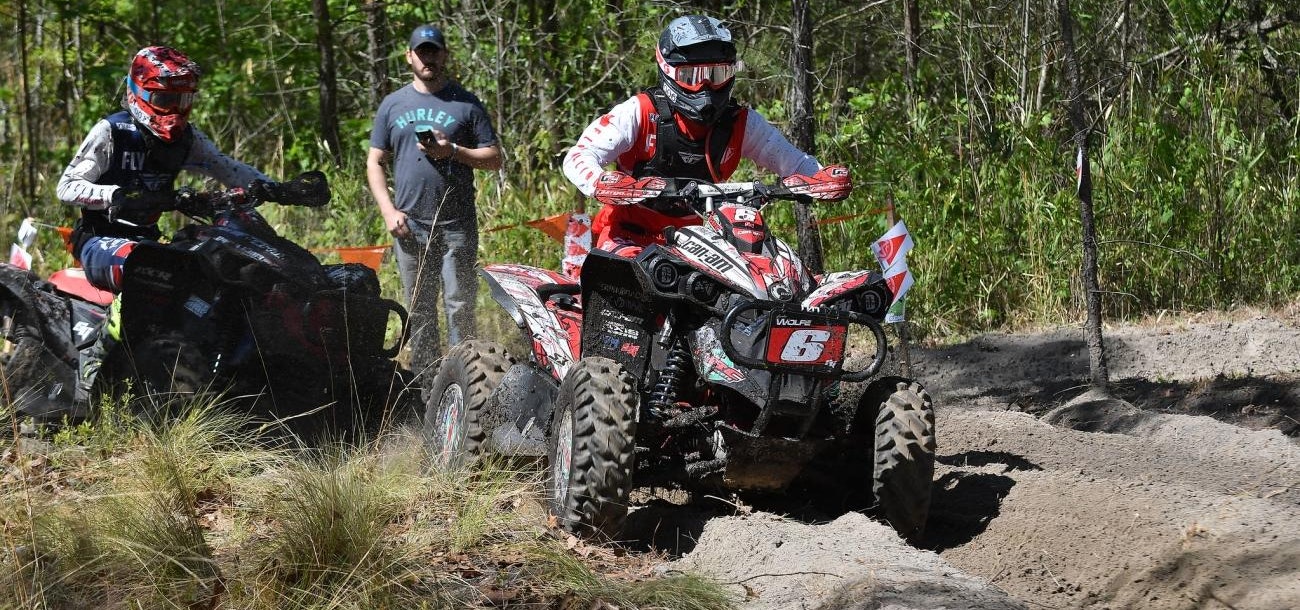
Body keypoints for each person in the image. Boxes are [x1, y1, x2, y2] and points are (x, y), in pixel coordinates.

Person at [562, 14, 852, 259]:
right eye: (692, 77)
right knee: (632, 285)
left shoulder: (742, 123)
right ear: (669, 72)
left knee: (759, 280)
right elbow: (577, 157)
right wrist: (601, 182)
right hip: (628, 235)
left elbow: (795, 163)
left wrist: (821, 178)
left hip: (699, 239)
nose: (705, 88)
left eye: (716, 74)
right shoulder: (640, 112)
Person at [57, 45, 278, 293]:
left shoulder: (188, 138)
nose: (174, 110)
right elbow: (66, 187)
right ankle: (114, 332)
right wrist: (115, 195)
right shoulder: (113, 131)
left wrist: (276, 189)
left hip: (148, 239)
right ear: (139, 93)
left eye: (182, 100)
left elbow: (227, 168)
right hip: (99, 240)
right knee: (150, 270)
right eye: (164, 100)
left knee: (209, 270)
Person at [367, 24, 502, 388]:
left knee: (460, 306)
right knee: (420, 310)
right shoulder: (393, 104)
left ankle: (465, 386)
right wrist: (387, 210)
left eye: (434, 51)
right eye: (421, 52)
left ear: (444, 55)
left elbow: (494, 158)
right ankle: (427, 387)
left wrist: (452, 151)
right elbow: (374, 160)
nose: (428, 58)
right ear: (409, 56)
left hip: (457, 224)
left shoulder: (466, 103)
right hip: (409, 225)